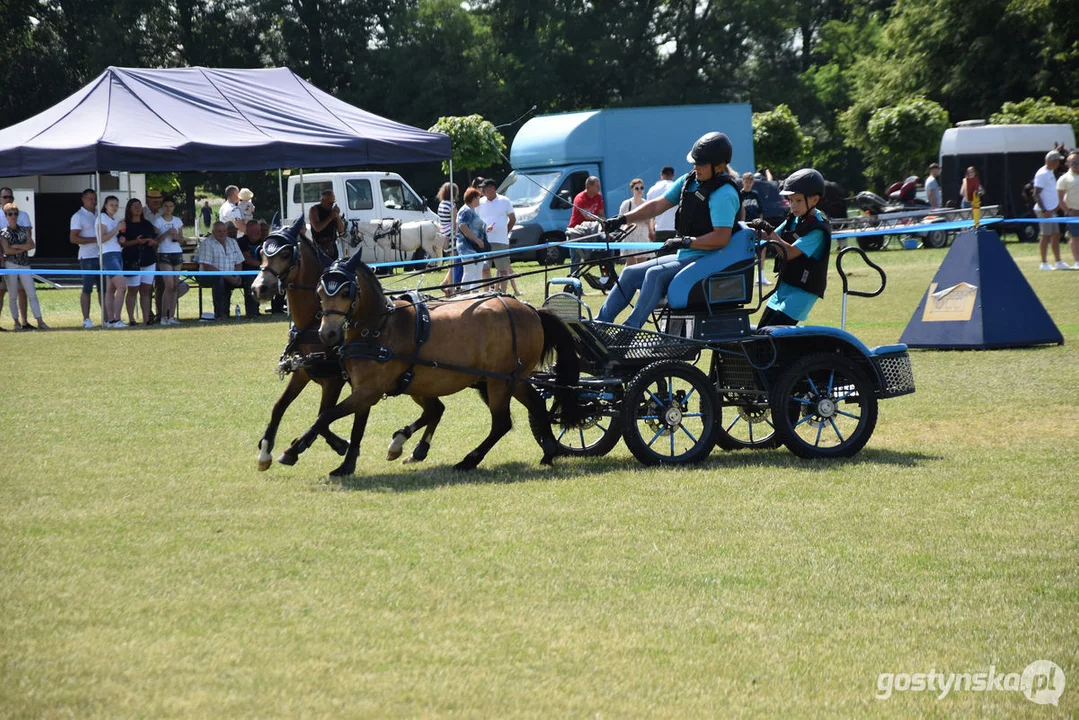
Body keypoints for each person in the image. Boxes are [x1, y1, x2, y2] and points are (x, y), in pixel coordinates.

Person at [598, 132, 741, 329]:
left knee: (655, 274)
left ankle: (630, 330)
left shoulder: (724, 194)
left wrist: (686, 241)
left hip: (709, 259)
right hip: (686, 255)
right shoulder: (689, 181)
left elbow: (721, 237)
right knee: (630, 272)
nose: (696, 168)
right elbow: (657, 205)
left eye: (701, 164)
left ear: (719, 166)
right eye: (695, 163)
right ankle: (600, 325)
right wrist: (623, 218)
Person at [749, 169, 832, 326]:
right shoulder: (794, 218)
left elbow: (789, 252)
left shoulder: (818, 229)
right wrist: (743, 230)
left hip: (803, 291)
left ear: (814, 200)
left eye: (798, 200)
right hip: (786, 285)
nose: (793, 205)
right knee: (761, 332)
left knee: (775, 337)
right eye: (790, 200)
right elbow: (769, 236)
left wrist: (768, 229)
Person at [1, 201, 48, 330]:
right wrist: (22, 248)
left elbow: (31, 245)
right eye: (10, 214)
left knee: (32, 293)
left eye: (15, 213)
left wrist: (16, 247)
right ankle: (16, 322)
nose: (13, 216)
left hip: (25, 264)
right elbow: (7, 251)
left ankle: (40, 321)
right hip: (11, 265)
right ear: (6, 215)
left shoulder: (23, 229)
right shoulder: (3, 232)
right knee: (12, 296)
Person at [119, 198, 158, 326]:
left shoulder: (147, 224)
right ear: (129, 208)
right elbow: (123, 243)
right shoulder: (125, 224)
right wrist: (136, 242)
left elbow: (155, 239)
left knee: (146, 290)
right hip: (132, 260)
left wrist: (152, 242)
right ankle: (132, 319)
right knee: (132, 290)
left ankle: (147, 318)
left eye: (139, 205)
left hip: (148, 259)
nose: (138, 208)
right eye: (134, 206)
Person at [478, 178, 520, 295]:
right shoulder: (480, 202)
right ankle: (487, 292)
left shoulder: (504, 201)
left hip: (500, 241)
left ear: (492, 189)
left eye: (484, 189)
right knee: (485, 268)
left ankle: (504, 292)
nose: (482, 191)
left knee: (503, 269)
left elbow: (512, 219)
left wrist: (505, 232)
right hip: (485, 241)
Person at [198, 221, 245, 319]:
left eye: (224, 231)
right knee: (219, 280)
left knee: (250, 279)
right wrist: (228, 277)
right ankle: (220, 314)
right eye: (219, 231)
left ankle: (252, 313)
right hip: (209, 276)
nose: (222, 233)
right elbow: (207, 266)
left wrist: (237, 275)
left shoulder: (233, 242)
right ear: (213, 232)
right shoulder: (207, 244)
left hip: (231, 275)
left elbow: (239, 262)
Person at [70, 188, 101, 329]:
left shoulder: (99, 214)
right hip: (87, 257)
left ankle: (106, 317)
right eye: (90, 199)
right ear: (83, 199)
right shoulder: (78, 216)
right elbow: (73, 238)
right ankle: (86, 319)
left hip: (101, 255)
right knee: (87, 288)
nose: (93, 201)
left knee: (104, 288)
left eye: (94, 198)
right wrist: (95, 240)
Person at [0, 188, 30, 328]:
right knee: (2, 291)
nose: (8, 199)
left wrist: (16, 247)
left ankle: (24, 322)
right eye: (5, 197)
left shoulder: (22, 215)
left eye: (10, 196)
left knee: (22, 290)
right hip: (3, 260)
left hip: (20, 260)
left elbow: (29, 241)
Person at [1034, 150, 1068, 270]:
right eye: (1057, 160)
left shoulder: (1050, 172)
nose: (1059, 163)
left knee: (1055, 235)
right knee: (1045, 236)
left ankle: (1058, 261)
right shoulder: (1042, 173)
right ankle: (1043, 263)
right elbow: (1036, 194)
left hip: (1051, 211)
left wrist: (1054, 208)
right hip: (1044, 211)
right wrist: (1044, 210)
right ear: (1052, 161)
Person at [98, 195, 128, 328]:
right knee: (122, 287)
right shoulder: (102, 218)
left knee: (110, 289)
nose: (114, 207)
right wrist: (117, 229)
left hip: (116, 253)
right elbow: (102, 239)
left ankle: (110, 320)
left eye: (116, 205)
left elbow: (112, 238)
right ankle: (116, 319)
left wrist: (120, 240)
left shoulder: (114, 220)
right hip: (108, 255)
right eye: (111, 205)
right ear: (105, 205)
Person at [154, 198, 185, 325]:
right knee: (168, 285)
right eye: (166, 206)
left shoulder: (178, 221)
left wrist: (177, 237)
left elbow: (182, 240)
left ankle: (171, 316)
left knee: (175, 286)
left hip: (176, 253)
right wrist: (167, 233)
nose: (168, 208)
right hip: (164, 253)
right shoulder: (158, 221)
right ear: (162, 207)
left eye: (171, 206)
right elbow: (156, 241)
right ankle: (163, 316)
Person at [456, 188, 490, 292]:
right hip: (467, 247)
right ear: (473, 198)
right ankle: (464, 295)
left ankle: (475, 294)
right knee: (469, 271)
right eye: (478, 198)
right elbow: (463, 226)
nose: (479, 200)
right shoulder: (465, 211)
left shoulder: (472, 210)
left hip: (477, 248)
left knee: (477, 272)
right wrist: (476, 240)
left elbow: (474, 227)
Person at [568, 176, 605, 274]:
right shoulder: (580, 198)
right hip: (576, 232)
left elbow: (601, 214)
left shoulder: (598, 197)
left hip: (592, 231)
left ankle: (607, 276)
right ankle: (574, 280)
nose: (599, 188)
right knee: (576, 259)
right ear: (589, 186)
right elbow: (587, 216)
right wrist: (601, 220)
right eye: (597, 186)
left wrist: (604, 223)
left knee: (606, 250)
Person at [618, 178, 652, 266]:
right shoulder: (627, 203)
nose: (639, 190)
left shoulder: (646, 203)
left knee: (642, 262)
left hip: (643, 234)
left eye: (642, 188)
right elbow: (621, 220)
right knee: (631, 262)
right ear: (632, 189)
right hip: (631, 234)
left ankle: (640, 280)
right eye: (637, 188)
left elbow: (650, 220)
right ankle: (624, 279)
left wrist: (651, 232)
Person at [436, 182, 461, 296]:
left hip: (443, 233)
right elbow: (455, 223)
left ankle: (446, 283)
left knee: (452, 261)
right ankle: (448, 285)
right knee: (454, 261)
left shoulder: (441, 204)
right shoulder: (452, 205)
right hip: (451, 235)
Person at [1056, 151, 1079, 270]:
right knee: (1075, 237)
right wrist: (1068, 210)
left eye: (1077, 162)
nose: (1075, 164)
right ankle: (1077, 262)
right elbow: (1060, 199)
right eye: (1073, 162)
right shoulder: (1064, 179)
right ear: (1067, 164)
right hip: (1073, 212)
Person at [237, 219, 263, 317]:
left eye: (259, 230)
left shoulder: (263, 242)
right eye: (254, 230)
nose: (258, 233)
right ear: (247, 232)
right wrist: (262, 266)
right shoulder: (242, 242)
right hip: (245, 272)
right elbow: (246, 259)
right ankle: (251, 312)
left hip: (261, 271)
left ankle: (277, 309)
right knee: (251, 280)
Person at [647, 166, 678, 249]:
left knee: (660, 258)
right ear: (673, 175)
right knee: (674, 257)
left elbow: (650, 212)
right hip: (675, 228)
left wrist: (650, 230)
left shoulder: (653, 189)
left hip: (659, 229)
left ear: (661, 175)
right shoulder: (677, 187)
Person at [308, 189, 344, 259]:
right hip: (319, 247)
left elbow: (341, 230)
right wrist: (331, 217)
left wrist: (338, 217)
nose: (331, 205)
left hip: (332, 247)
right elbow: (317, 228)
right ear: (323, 201)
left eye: (333, 203)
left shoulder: (332, 211)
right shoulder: (314, 210)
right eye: (329, 203)